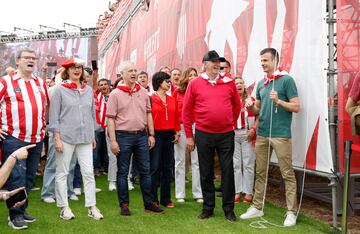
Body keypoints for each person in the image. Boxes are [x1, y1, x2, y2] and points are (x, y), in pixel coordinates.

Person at [240, 48, 300, 227]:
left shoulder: (287, 80)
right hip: (263, 133)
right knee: (260, 171)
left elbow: (296, 106)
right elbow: (257, 109)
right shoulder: (261, 83)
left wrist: (279, 101)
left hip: (281, 134)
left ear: (275, 60)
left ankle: (291, 212)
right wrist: (250, 107)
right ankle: (257, 206)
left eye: (265, 60)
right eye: (261, 61)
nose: (262, 63)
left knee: (287, 173)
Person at [182, 50, 240, 222]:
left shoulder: (229, 83)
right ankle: (208, 207)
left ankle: (229, 208)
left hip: (225, 134)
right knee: (206, 171)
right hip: (203, 133)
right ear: (204, 64)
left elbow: (236, 106)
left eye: (218, 62)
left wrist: (229, 121)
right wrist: (189, 136)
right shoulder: (195, 83)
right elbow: (186, 111)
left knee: (228, 170)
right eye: (213, 61)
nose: (216, 64)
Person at [106, 61, 164, 216]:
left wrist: (151, 134)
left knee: (146, 171)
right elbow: (110, 119)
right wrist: (113, 141)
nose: (133, 73)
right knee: (123, 172)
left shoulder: (143, 92)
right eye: (130, 71)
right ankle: (124, 205)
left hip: (141, 136)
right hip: (122, 136)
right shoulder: (115, 94)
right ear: (122, 74)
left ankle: (149, 203)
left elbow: (148, 113)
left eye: (135, 70)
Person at [48, 57, 103, 221]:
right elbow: (54, 116)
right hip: (65, 137)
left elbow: (91, 114)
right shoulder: (59, 90)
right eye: (73, 68)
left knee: (88, 173)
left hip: (86, 137)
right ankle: (64, 208)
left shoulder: (87, 91)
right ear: (67, 71)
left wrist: (92, 135)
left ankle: (92, 207)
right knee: (62, 173)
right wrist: (56, 138)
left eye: (79, 67)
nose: (76, 70)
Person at [0, 48, 49, 230]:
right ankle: (15, 216)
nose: (31, 60)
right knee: (16, 178)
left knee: (29, 178)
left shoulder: (40, 83)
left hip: (36, 138)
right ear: (18, 61)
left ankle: (22, 209)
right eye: (27, 58)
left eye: (33, 58)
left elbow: (43, 108)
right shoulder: (6, 82)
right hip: (14, 138)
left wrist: (43, 128)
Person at [150, 72, 180, 208]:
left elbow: (176, 117)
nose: (169, 83)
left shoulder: (172, 99)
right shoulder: (150, 99)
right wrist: (149, 135)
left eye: (169, 81)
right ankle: (153, 198)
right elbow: (147, 119)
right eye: (166, 81)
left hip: (169, 134)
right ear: (159, 82)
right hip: (156, 134)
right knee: (155, 167)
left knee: (168, 167)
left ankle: (166, 198)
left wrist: (177, 132)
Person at [173, 67, 203, 203]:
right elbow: (174, 112)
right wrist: (175, 131)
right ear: (185, 77)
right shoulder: (177, 92)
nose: (192, 77)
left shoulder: (201, 92)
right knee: (180, 161)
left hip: (197, 127)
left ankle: (198, 193)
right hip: (181, 128)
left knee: (197, 162)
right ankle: (180, 193)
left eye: (194, 75)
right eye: (190, 75)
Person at [233, 77, 258, 203]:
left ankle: (248, 192)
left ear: (244, 85)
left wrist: (253, 129)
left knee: (248, 164)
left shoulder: (251, 100)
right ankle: (237, 191)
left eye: (240, 83)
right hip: (233, 134)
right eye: (236, 83)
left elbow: (259, 115)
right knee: (236, 164)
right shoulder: (230, 100)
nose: (238, 85)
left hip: (247, 133)